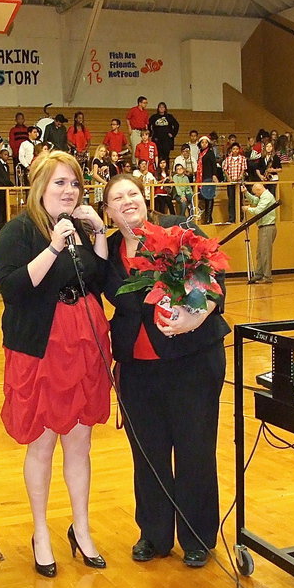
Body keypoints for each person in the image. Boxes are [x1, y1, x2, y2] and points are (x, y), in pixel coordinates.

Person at [0, 150, 111, 579]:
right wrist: (53, 246)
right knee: (41, 444)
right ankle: (40, 532)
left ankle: (80, 528)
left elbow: (95, 278)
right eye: (60, 183)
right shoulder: (18, 230)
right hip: (40, 347)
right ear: (40, 186)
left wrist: (96, 234)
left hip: (83, 341)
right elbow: (13, 288)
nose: (69, 191)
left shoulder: (78, 226)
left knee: (81, 443)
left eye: (75, 184)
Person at [101, 173, 230, 567]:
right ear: (107, 210)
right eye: (117, 198)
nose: (127, 201)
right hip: (137, 369)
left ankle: (197, 538)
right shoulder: (104, 250)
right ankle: (154, 535)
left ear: (146, 197)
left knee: (195, 451)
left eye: (133, 194)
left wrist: (196, 316)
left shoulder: (179, 228)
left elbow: (215, 276)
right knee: (148, 456)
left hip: (192, 359)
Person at [243, 181, 278, 284]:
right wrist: (246, 193)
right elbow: (255, 200)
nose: (255, 195)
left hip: (268, 227)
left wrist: (248, 208)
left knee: (265, 253)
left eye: (255, 193)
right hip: (263, 227)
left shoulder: (267, 197)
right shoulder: (262, 196)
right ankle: (259, 274)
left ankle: (267, 277)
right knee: (260, 252)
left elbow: (258, 210)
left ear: (259, 190)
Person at [222, 143, 248, 224]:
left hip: (239, 183)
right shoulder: (228, 159)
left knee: (240, 200)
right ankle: (231, 218)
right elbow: (225, 170)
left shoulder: (242, 158)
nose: (235, 150)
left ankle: (240, 218)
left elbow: (243, 169)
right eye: (234, 149)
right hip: (230, 183)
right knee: (231, 200)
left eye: (237, 149)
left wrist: (240, 177)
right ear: (231, 150)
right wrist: (229, 179)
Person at [195, 135, 217, 225]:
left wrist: (214, 175)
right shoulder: (200, 153)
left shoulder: (210, 153)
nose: (204, 144)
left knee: (209, 197)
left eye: (206, 142)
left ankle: (208, 217)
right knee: (203, 197)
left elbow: (214, 165)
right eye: (202, 142)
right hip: (201, 178)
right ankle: (206, 217)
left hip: (208, 177)